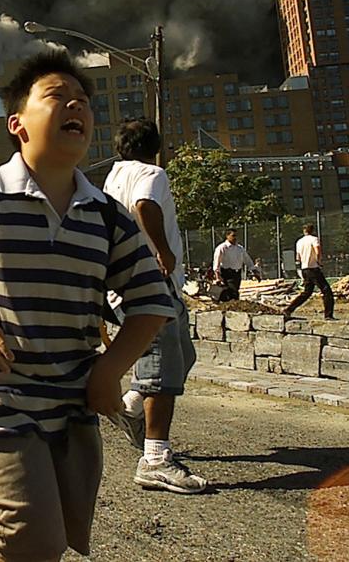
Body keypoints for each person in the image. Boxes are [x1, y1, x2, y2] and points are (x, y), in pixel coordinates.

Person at [0, 51, 176, 562]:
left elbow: (152, 301)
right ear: (17, 124)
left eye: (84, 101)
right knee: (30, 532)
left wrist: (111, 368)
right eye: (56, 95)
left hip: (72, 398)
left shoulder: (107, 217)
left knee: (38, 541)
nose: (76, 104)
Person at [103, 118, 209, 495]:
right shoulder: (152, 173)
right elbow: (144, 204)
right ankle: (155, 459)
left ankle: (131, 406)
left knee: (183, 355)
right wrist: (163, 251)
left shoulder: (113, 176)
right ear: (156, 146)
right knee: (162, 366)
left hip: (137, 282)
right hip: (148, 283)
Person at [284, 224, 335, 320]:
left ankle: (289, 309)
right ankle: (328, 315)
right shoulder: (314, 239)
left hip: (304, 269)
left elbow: (298, 257)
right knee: (326, 290)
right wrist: (319, 261)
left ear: (304, 231)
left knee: (307, 292)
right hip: (313, 268)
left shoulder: (299, 242)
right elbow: (317, 250)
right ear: (312, 230)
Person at [212, 229, 253, 302]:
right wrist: (217, 277)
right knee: (233, 293)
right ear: (227, 236)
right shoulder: (222, 248)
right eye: (233, 235)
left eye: (236, 236)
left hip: (237, 274)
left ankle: (226, 305)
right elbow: (216, 263)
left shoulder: (240, 248)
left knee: (232, 291)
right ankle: (232, 306)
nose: (235, 238)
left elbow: (247, 260)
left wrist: (254, 271)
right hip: (227, 273)